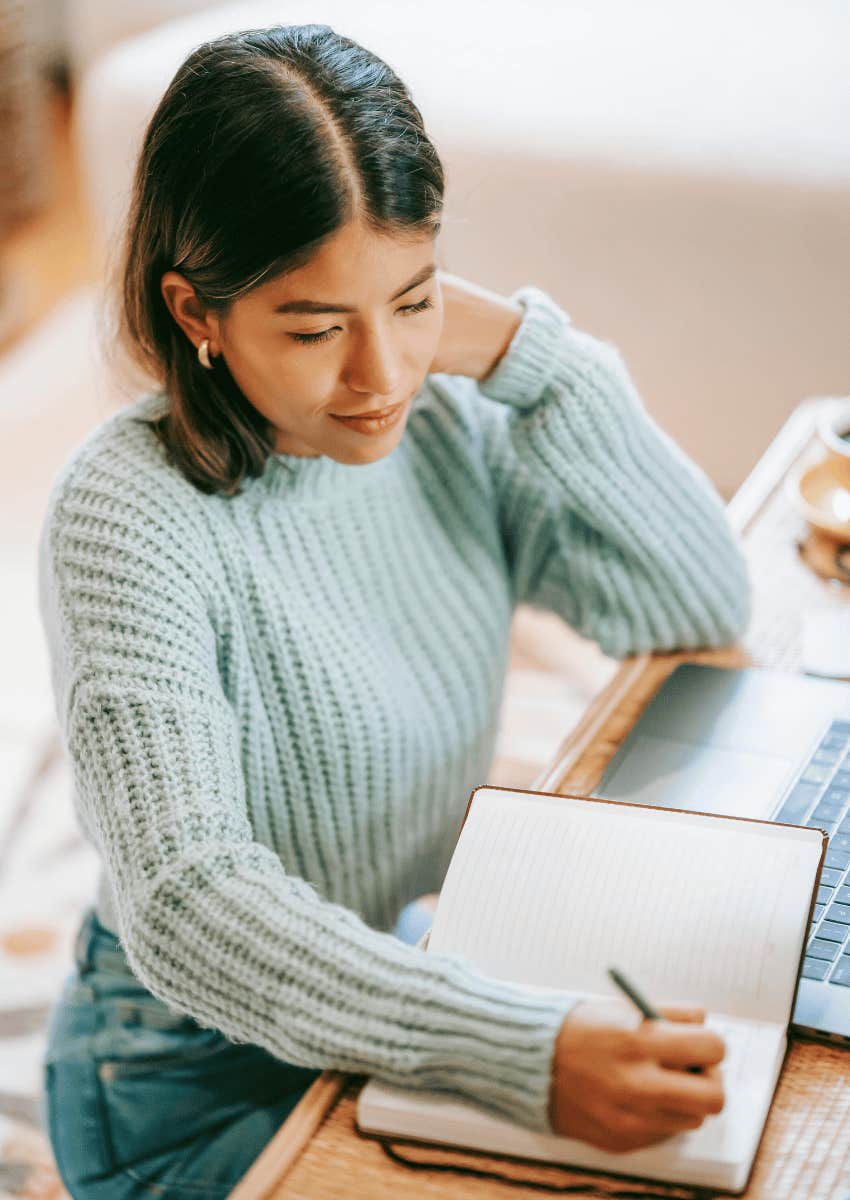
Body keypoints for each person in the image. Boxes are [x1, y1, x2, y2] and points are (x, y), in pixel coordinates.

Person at [38, 22, 749, 1200]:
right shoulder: (126, 517)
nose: (384, 378)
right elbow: (186, 898)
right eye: (316, 329)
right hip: (187, 1082)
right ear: (196, 311)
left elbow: (689, 603)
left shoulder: (433, 419)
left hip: (387, 980)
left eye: (415, 302)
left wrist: (539, 359)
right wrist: (511, 1048)